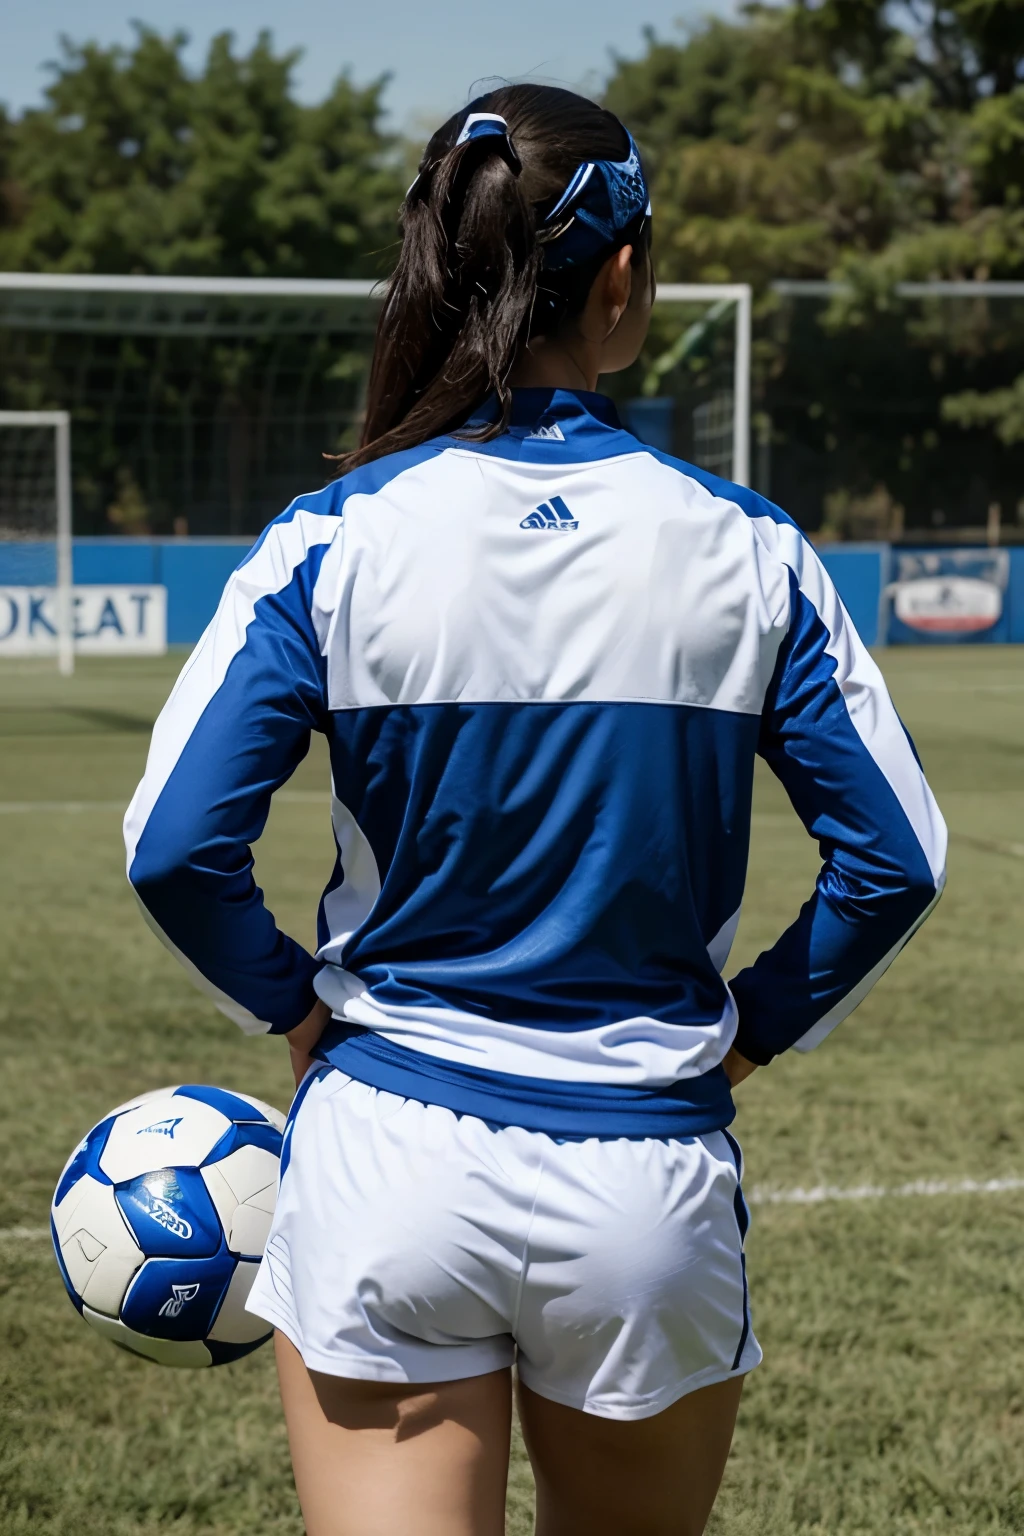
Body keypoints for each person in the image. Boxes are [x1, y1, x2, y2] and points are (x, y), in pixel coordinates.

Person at [124, 84, 946, 1536]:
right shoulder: (750, 554)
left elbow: (175, 847)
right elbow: (896, 859)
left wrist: (299, 1014)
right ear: (624, 274)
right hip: (644, 1186)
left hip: (391, 1158)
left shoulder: (334, 539)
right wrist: (745, 1033)